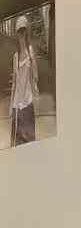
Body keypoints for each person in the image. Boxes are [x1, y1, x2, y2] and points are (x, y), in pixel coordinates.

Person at [8, 16, 38, 147]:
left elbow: (35, 75)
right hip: (17, 104)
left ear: (26, 32)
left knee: (30, 140)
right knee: (17, 142)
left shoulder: (31, 51)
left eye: (23, 30)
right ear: (17, 33)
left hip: (28, 101)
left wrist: (35, 85)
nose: (21, 33)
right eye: (19, 31)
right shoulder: (15, 57)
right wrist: (10, 105)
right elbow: (14, 83)